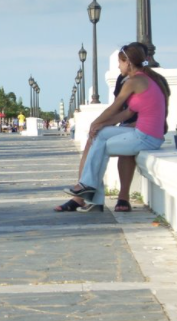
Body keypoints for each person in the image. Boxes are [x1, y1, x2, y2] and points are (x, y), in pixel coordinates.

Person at [56, 43, 168, 213]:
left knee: (100, 146)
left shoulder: (134, 81)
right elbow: (126, 113)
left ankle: (88, 190)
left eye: (120, 62)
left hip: (146, 137)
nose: (118, 66)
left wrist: (95, 123)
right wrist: (100, 125)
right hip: (141, 133)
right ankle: (90, 191)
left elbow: (114, 107)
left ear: (128, 62)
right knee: (99, 136)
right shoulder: (143, 79)